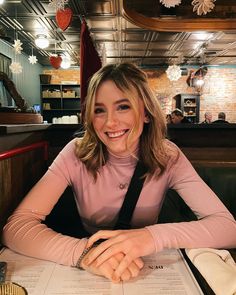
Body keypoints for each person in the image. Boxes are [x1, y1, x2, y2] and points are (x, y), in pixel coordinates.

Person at [2, 63, 236, 283]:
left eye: (123, 107)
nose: (110, 122)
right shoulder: (75, 153)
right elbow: (16, 227)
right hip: (96, 270)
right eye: (99, 110)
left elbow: (228, 228)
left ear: (146, 113)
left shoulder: (168, 156)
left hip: (148, 268)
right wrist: (83, 254)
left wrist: (153, 237)